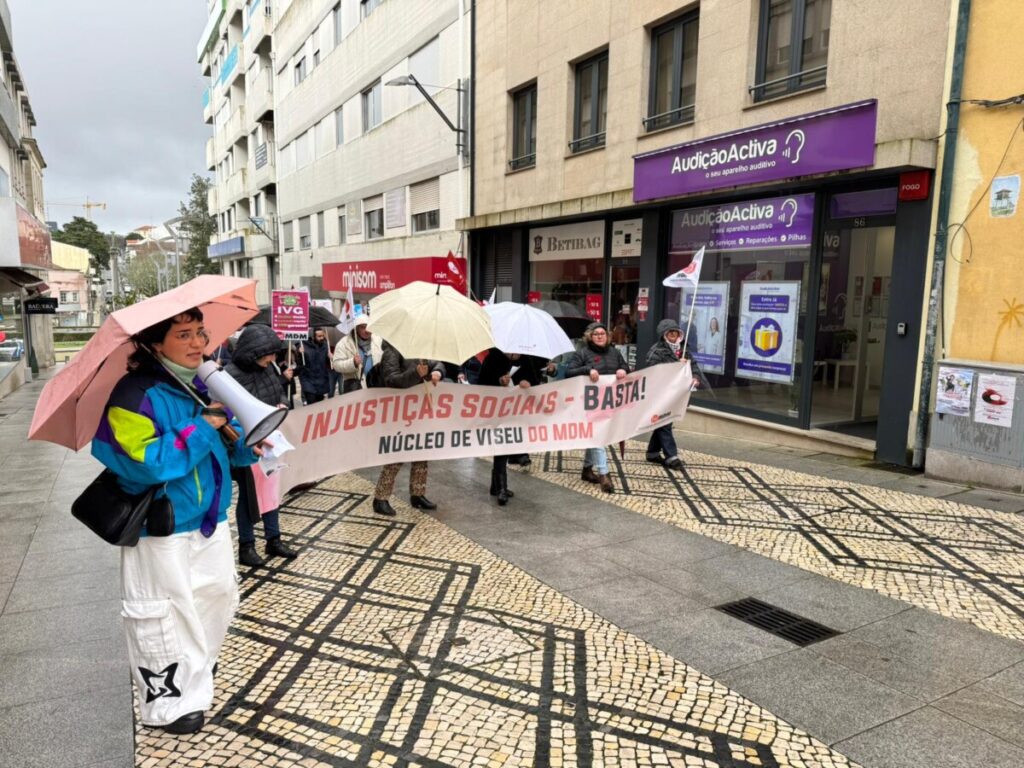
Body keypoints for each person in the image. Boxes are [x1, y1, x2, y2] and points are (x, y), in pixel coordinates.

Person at [91, 309, 261, 735]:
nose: (197, 343)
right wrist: (203, 427)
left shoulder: (203, 386)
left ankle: (198, 673)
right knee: (162, 615)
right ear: (154, 344)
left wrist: (246, 446)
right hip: (160, 530)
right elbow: (146, 463)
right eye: (183, 334)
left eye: (200, 332)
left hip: (210, 522)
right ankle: (169, 705)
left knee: (216, 599)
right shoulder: (133, 394)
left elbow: (220, 450)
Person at [224, 324, 299, 567]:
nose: (273, 359)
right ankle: (246, 545)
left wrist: (282, 404)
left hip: (270, 442)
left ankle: (273, 539)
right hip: (246, 444)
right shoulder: (230, 375)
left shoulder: (268, 369)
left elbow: (278, 393)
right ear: (255, 352)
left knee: (271, 491)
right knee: (249, 497)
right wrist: (244, 439)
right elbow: (224, 415)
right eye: (269, 354)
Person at [372, 340, 444, 516]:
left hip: (418, 410)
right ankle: (380, 498)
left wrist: (437, 371)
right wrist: (416, 373)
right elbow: (391, 380)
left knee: (421, 453)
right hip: (399, 412)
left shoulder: (420, 347)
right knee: (397, 455)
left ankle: (417, 494)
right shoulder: (392, 350)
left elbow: (437, 363)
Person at [564, 321, 629, 492]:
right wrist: (587, 370)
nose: (600, 336)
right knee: (597, 436)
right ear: (590, 337)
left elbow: (625, 367)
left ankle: (586, 469)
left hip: (610, 403)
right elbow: (569, 372)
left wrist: (623, 370)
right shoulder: (583, 353)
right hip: (589, 404)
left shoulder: (615, 353)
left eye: (603, 333)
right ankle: (604, 475)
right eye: (596, 334)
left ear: (607, 336)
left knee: (595, 436)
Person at [477, 348, 533, 504]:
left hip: (518, 410)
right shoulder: (493, 358)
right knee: (502, 444)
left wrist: (526, 382)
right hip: (498, 409)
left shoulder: (525, 359)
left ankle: (496, 486)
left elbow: (534, 381)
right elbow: (481, 384)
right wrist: (498, 381)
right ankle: (501, 488)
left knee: (506, 445)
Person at [645, 318, 701, 470]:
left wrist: (695, 377)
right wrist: (677, 365)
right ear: (664, 335)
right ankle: (672, 456)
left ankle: (652, 453)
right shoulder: (656, 351)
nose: (673, 335)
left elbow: (694, 366)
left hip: (678, 395)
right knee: (665, 422)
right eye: (670, 333)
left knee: (663, 422)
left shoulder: (684, 350)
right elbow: (653, 371)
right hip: (661, 394)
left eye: (676, 333)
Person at [332, 316, 383, 393]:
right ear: (356, 328)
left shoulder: (378, 339)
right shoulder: (344, 343)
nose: (367, 330)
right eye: (363, 327)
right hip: (356, 388)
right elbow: (336, 365)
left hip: (377, 386)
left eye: (369, 327)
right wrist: (352, 363)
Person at [296, 328, 331, 405]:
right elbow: (299, 364)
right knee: (312, 404)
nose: (322, 338)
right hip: (309, 380)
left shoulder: (325, 346)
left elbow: (328, 364)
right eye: (319, 336)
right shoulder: (303, 345)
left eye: (322, 336)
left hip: (320, 380)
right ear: (313, 337)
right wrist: (299, 354)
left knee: (320, 404)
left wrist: (330, 357)